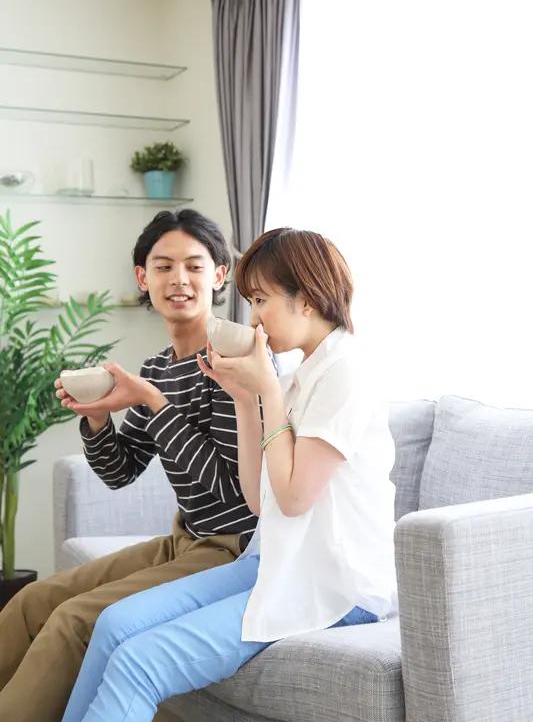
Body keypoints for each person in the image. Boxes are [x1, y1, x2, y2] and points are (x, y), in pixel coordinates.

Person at [61, 226, 397, 722]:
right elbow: (260, 499)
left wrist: (267, 392)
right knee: (114, 625)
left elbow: (293, 499)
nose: (253, 317)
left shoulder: (345, 373)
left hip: (336, 584)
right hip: (278, 562)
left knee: (139, 661)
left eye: (261, 300)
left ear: (306, 299)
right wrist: (246, 396)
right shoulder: (303, 375)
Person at [0, 209, 258, 722]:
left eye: (194, 266)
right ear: (142, 277)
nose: (179, 279)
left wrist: (155, 404)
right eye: (163, 267)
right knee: (31, 601)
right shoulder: (158, 367)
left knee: (74, 620)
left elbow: (232, 491)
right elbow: (120, 472)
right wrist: (97, 419)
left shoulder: (235, 363)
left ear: (219, 275)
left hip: (234, 548)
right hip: (184, 539)